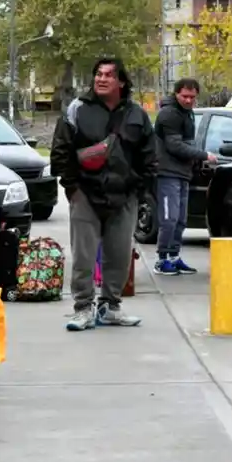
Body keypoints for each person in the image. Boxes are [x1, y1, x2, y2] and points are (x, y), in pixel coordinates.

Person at [50, 57, 158, 332]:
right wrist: (72, 188)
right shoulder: (77, 109)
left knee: (120, 255)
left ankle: (110, 307)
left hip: (124, 197)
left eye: (109, 75)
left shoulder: (137, 114)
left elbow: (149, 156)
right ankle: (83, 308)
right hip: (85, 194)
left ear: (121, 81)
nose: (102, 78)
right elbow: (60, 149)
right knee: (84, 257)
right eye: (98, 73)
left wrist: (137, 189)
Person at [153, 78, 214, 275]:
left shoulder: (186, 113)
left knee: (180, 218)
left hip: (182, 172)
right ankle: (162, 260)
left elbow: (187, 142)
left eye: (192, 97)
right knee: (169, 218)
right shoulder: (169, 114)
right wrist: (204, 155)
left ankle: (174, 256)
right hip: (167, 172)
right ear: (176, 94)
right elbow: (174, 145)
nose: (188, 100)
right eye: (184, 96)